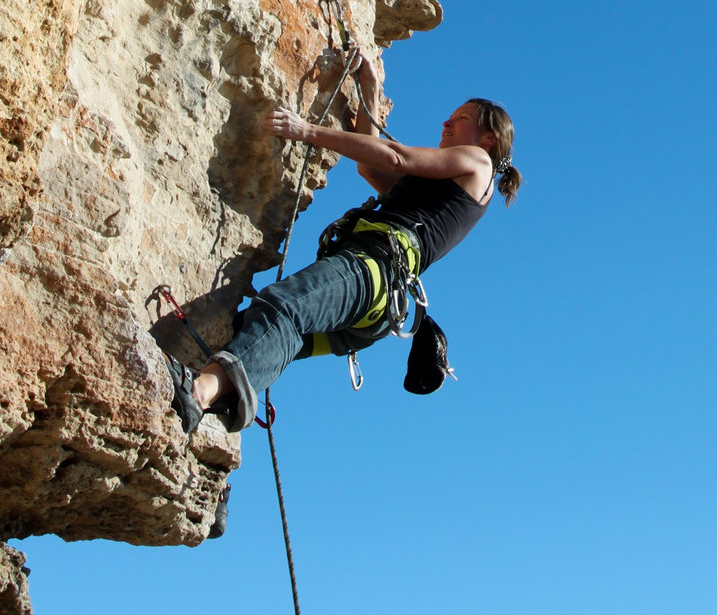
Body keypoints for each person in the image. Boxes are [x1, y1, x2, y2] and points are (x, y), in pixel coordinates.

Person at [165, 55, 521, 434]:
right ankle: (208, 403)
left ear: (489, 138)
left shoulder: (479, 161)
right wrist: (369, 90)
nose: (447, 122)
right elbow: (371, 167)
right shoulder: (440, 194)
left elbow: (396, 157)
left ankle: (199, 393)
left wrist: (306, 130)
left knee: (283, 305)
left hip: (375, 270)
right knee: (276, 331)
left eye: (461, 119)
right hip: (380, 308)